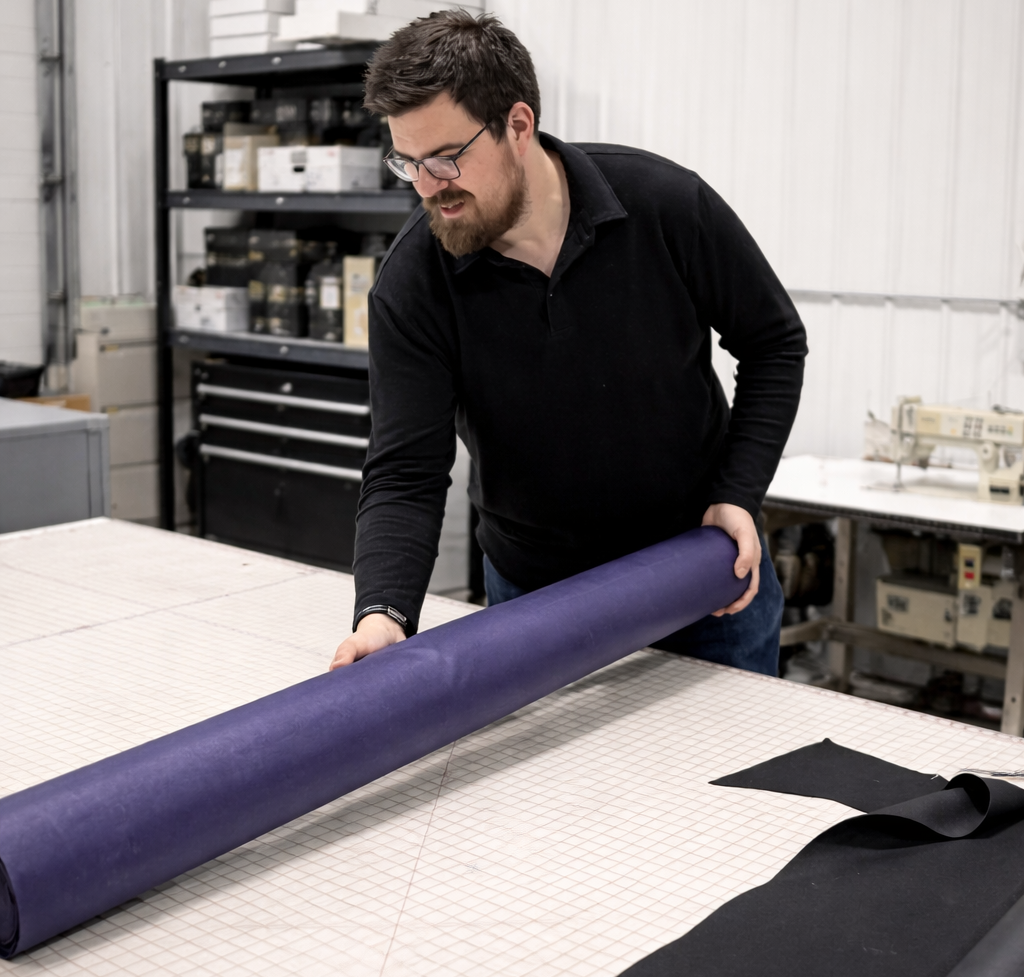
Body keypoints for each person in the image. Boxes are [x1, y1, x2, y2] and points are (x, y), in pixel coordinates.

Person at [331, 11, 806, 675]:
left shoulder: (665, 207)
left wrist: (739, 490)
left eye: (446, 158)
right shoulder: (413, 285)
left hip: (701, 581)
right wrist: (384, 613)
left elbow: (774, 342)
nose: (428, 186)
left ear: (517, 126)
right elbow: (406, 471)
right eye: (408, 162)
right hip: (537, 602)